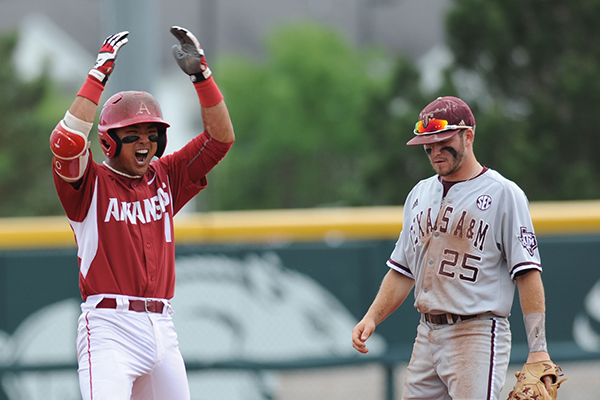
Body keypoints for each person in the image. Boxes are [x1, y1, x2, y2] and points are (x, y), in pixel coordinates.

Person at [49, 26, 234, 400]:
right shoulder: (90, 183)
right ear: (109, 140)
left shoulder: (166, 176)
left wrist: (202, 76)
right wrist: (97, 76)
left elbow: (220, 138)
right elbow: (66, 144)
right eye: (133, 133)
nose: (145, 141)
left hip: (162, 326)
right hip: (109, 327)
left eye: (152, 133)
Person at [351, 96, 556, 399]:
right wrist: (372, 317)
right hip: (427, 334)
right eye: (428, 145)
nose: (434, 151)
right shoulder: (419, 193)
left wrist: (538, 350)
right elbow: (402, 270)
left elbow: (527, 273)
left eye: (442, 142)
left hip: (476, 333)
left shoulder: (503, 193)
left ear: (468, 136)